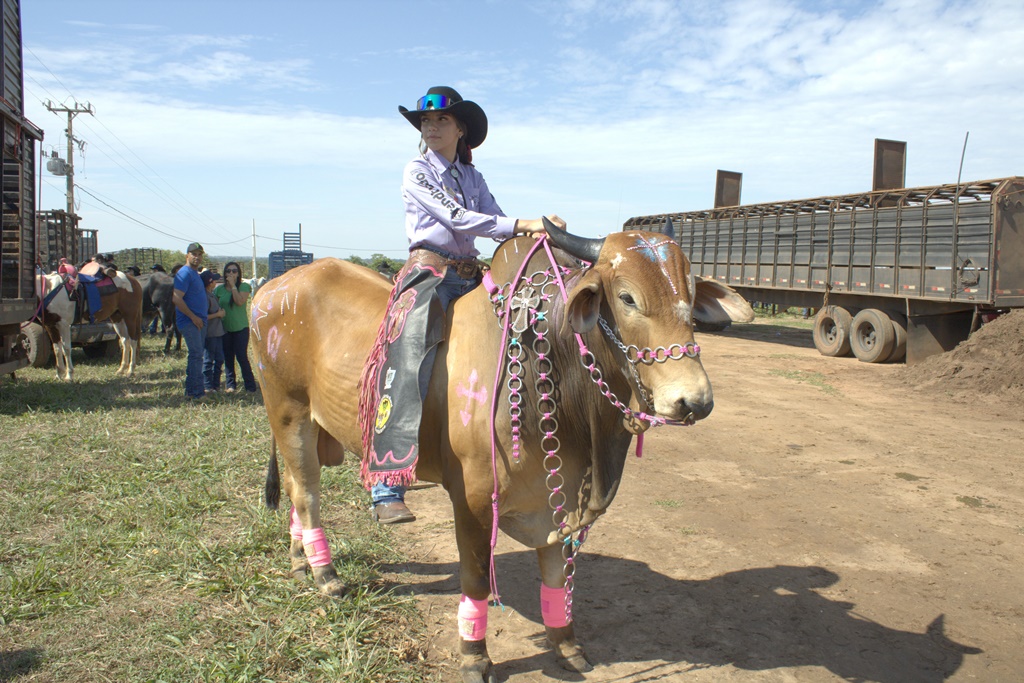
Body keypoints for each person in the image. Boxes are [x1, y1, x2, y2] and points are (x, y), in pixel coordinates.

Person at [362, 86, 562, 524]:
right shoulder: (416, 170)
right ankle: (386, 484)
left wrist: (537, 233)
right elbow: (456, 217)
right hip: (428, 273)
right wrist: (525, 222)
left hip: (470, 275)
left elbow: (496, 218)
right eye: (425, 121)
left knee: (520, 334)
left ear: (460, 129)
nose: (431, 127)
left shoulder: (473, 177)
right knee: (408, 357)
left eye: (442, 120)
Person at [172, 242, 208, 401]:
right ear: (187, 255)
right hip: (190, 321)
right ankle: (197, 393)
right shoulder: (185, 273)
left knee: (197, 355)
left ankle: (191, 391)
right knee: (196, 355)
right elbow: (176, 298)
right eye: (194, 254)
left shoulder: (195, 273)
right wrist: (193, 317)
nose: (197, 257)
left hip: (199, 321)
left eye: (199, 255)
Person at [215, 261, 258, 393]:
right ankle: (230, 385)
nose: (231, 273)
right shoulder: (219, 290)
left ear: (238, 274)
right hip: (225, 329)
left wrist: (233, 286)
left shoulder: (244, 287)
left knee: (241, 356)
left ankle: (250, 386)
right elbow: (214, 305)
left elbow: (239, 301)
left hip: (241, 328)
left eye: (234, 271)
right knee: (228, 357)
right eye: (228, 271)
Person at [202, 270, 227, 392]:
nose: (216, 282)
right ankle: (207, 386)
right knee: (208, 360)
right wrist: (218, 314)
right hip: (210, 333)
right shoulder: (205, 297)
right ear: (210, 282)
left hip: (217, 332)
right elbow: (203, 316)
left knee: (219, 359)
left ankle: (215, 385)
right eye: (214, 280)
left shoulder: (211, 295)